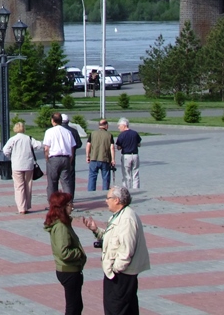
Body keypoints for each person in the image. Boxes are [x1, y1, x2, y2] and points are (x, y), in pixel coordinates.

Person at [82, 185, 150, 315]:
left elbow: (126, 249)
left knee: (116, 310)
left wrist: (115, 269)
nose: (106, 201)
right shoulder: (119, 215)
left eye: (108, 198)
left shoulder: (126, 219)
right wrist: (96, 230)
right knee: (126, 309)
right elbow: (113, 239)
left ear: (117, 200)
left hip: (122, 275)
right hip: (120, 274)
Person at [44, 191, 86, 315]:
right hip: (68, 271)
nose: (72, 207)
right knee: (73, 308)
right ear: (62, 207)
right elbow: (63, 252)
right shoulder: (61, 227)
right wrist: (79, 253)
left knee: (77, 305)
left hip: (70, 270)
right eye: (69, 204)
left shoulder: (63, 223)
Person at [3, 121, 44, 214]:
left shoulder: (13, 139)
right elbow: (39, 145)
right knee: (28, 185)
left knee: (19, 186)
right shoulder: (28, 138)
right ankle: (27, 205)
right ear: (23, 129)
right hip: (28, 165)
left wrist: (11, 157)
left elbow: (5, 150)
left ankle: (21, 207)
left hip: (17, 165)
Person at [43, 112, 77, 203]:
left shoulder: (49, 131)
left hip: (53, 158)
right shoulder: (68, 132)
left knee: (52, 183)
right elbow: (72, 146)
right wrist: (71, 158)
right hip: (66, 158)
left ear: (53, 121)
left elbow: (46, 148)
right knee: (66, 183)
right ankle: (69, 204)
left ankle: (53, 204)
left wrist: (47, 158)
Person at [86, 119, 115, 191]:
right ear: (106, 125)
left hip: (94, 158)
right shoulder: (109, 135)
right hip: (105, 159)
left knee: (92, 176)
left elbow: (88, 145)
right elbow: (112, 148)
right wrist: (113, 159)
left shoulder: (92, 133)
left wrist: (87, 156)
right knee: (105, 177)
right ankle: (105, 191)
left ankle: (91, 191)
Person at [62, 114, 86, 199]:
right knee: (71, 177)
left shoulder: (55, 130)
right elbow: (79, 144)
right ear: (68, 121)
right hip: (71, 158)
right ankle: (70, 196)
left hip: (58, 158)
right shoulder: (73, 131)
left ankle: (58, 197)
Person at [114, 119, 141, 191]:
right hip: (135, 155)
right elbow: (139, 144)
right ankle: (136, 189)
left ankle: (127, 189)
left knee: (126, 174)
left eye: (119, 126)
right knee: (135, 173)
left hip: (126, 156)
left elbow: (118, 147)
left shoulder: (121, 135)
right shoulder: (135, 133)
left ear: (124, 125)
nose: (118, 127)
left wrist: (123, 146)